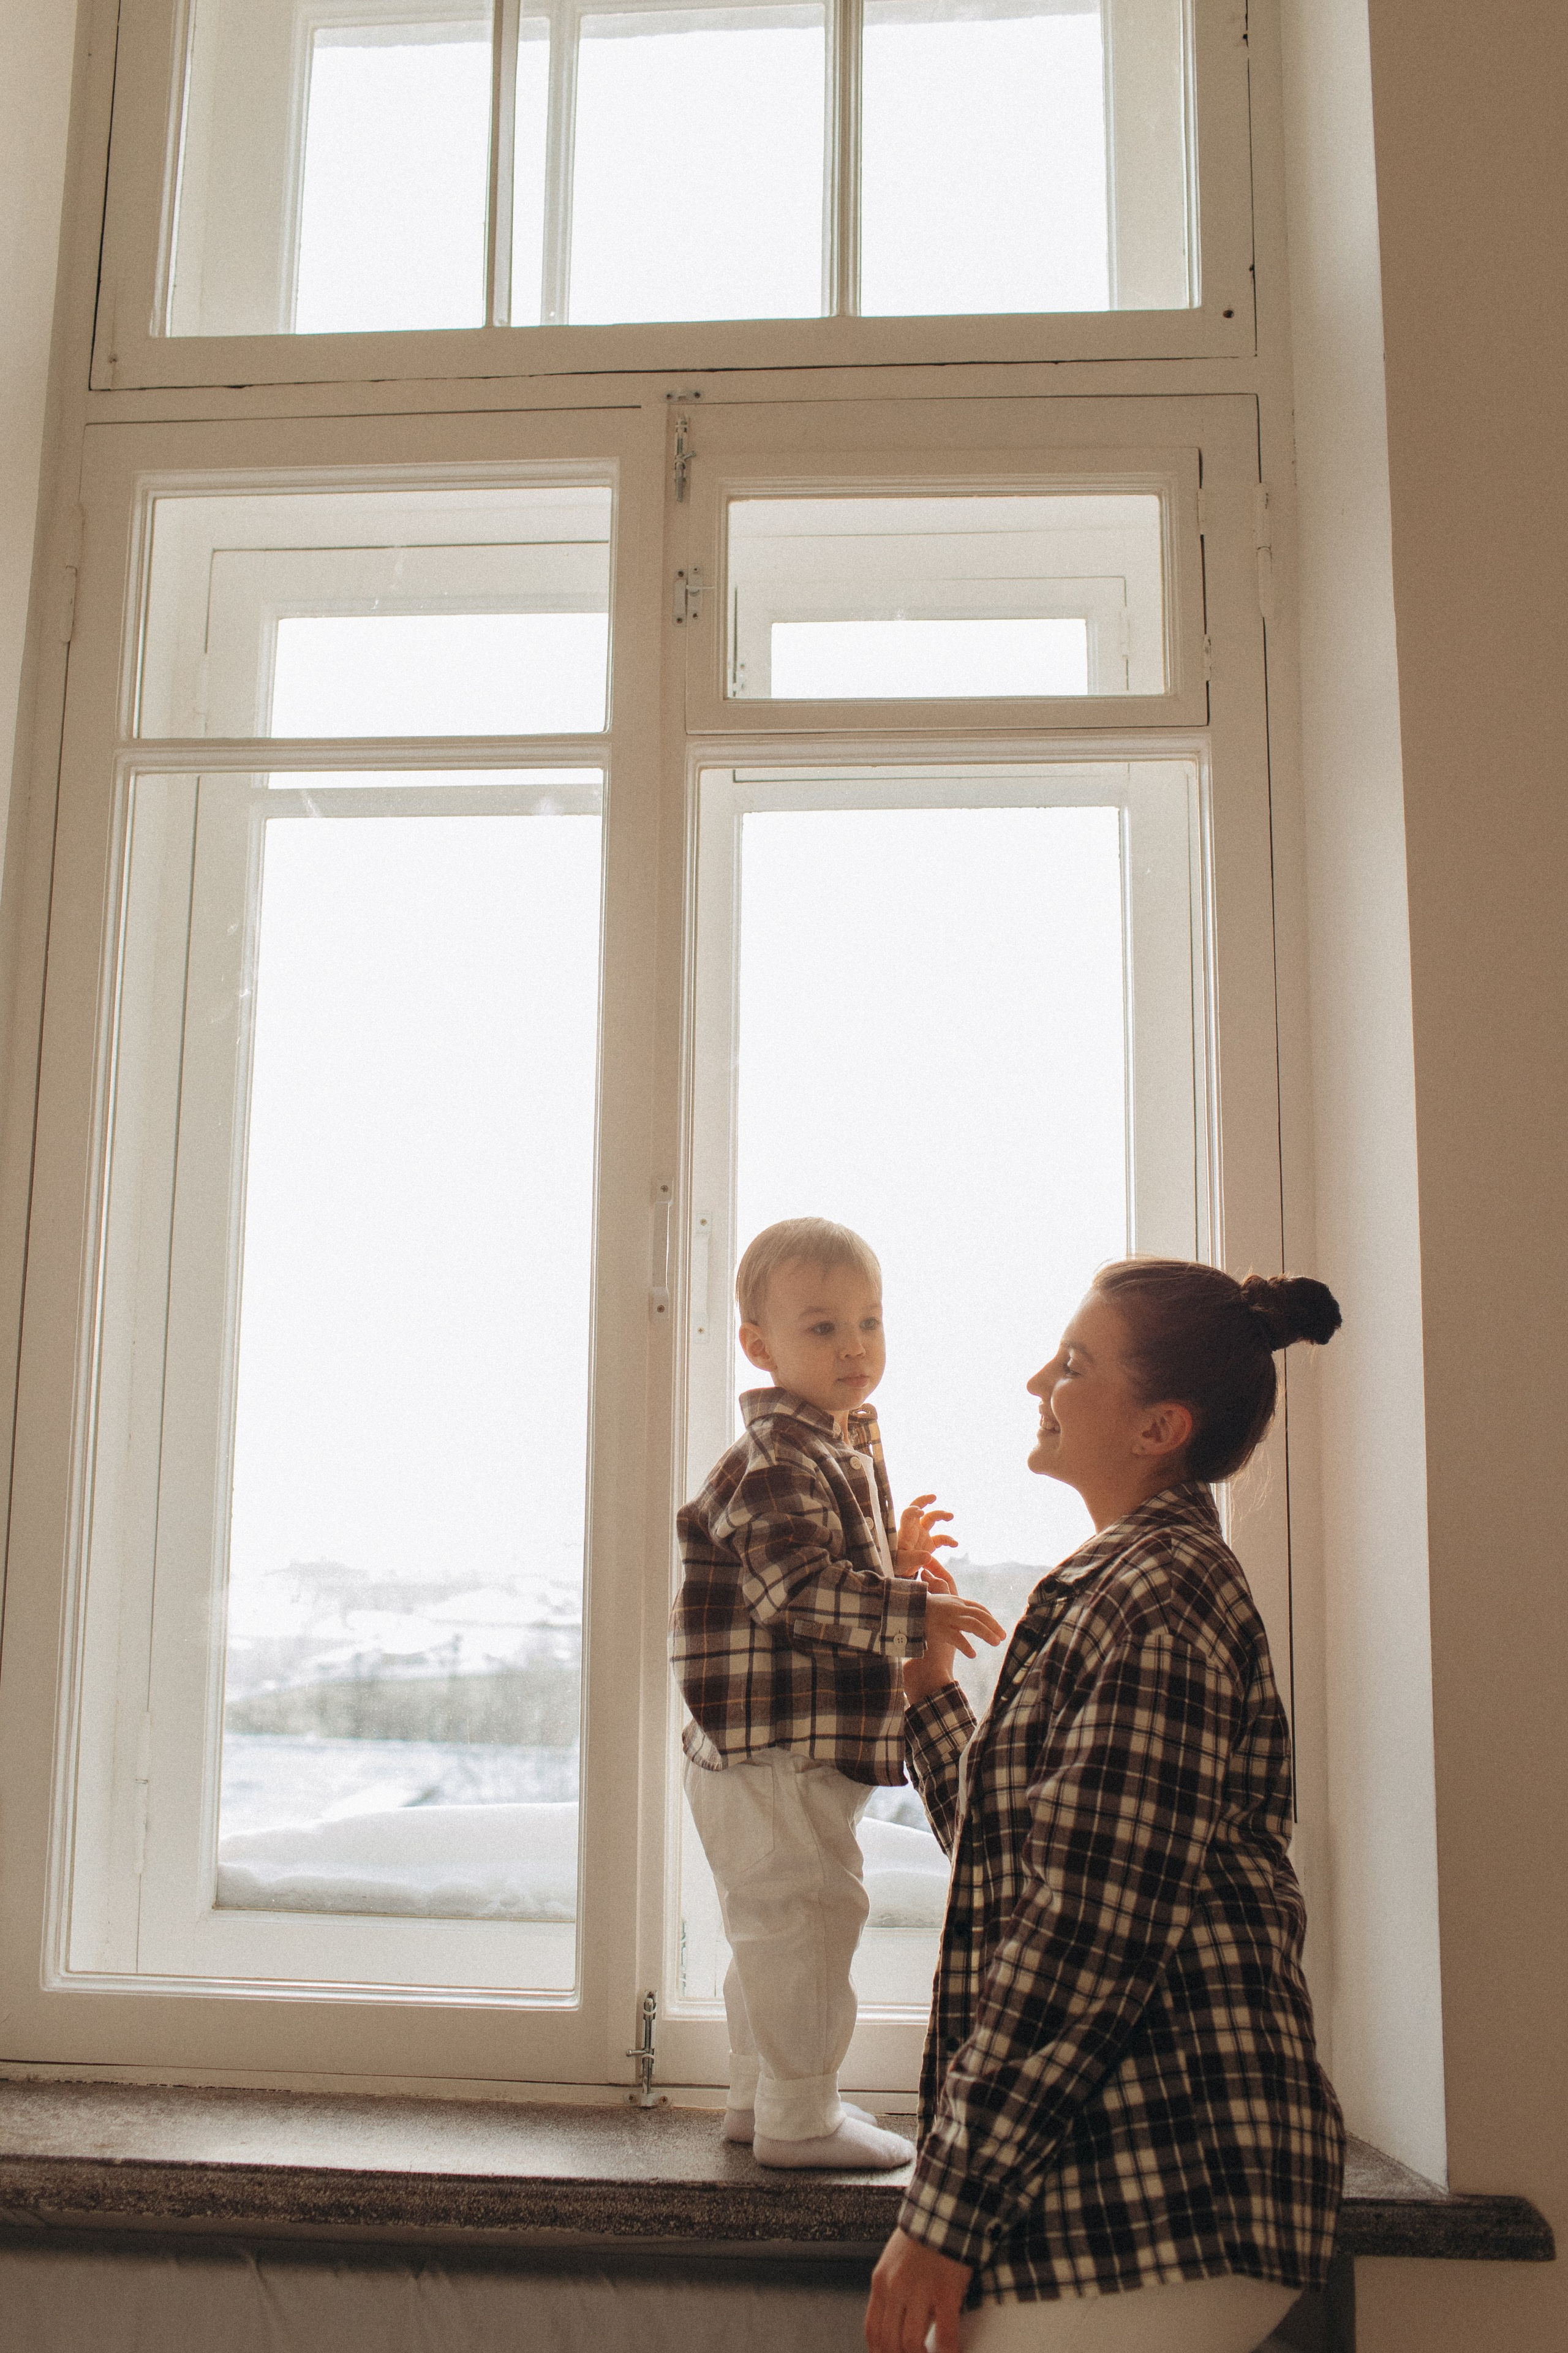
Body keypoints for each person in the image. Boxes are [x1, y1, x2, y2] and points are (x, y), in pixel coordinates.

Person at [866, 1260, 1346, 2352]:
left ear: (1159, 1426)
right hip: (1124, 2195)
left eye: (1075, 1363)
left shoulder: (1161, 1597)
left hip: (1169, 2193)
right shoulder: (1128, 1580)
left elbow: (1086, 1931)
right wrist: (928, 1688)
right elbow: (1024, 1861)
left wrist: (941, 2212)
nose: (1041, 1377)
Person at [673, 1217, 1005, 2172]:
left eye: (869, 1320)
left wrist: (891, 1557)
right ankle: (801, 2114)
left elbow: (815, 1568)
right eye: (822, 1327)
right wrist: (911, 1611)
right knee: (809, 1921)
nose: (855, 1345)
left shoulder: (833, 1444)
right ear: (759, 1346)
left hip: (772, 1751)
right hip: (773, 1751)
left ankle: (758, 2095)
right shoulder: (778, 1455)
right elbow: (794, 1587)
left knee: (775, 1927)